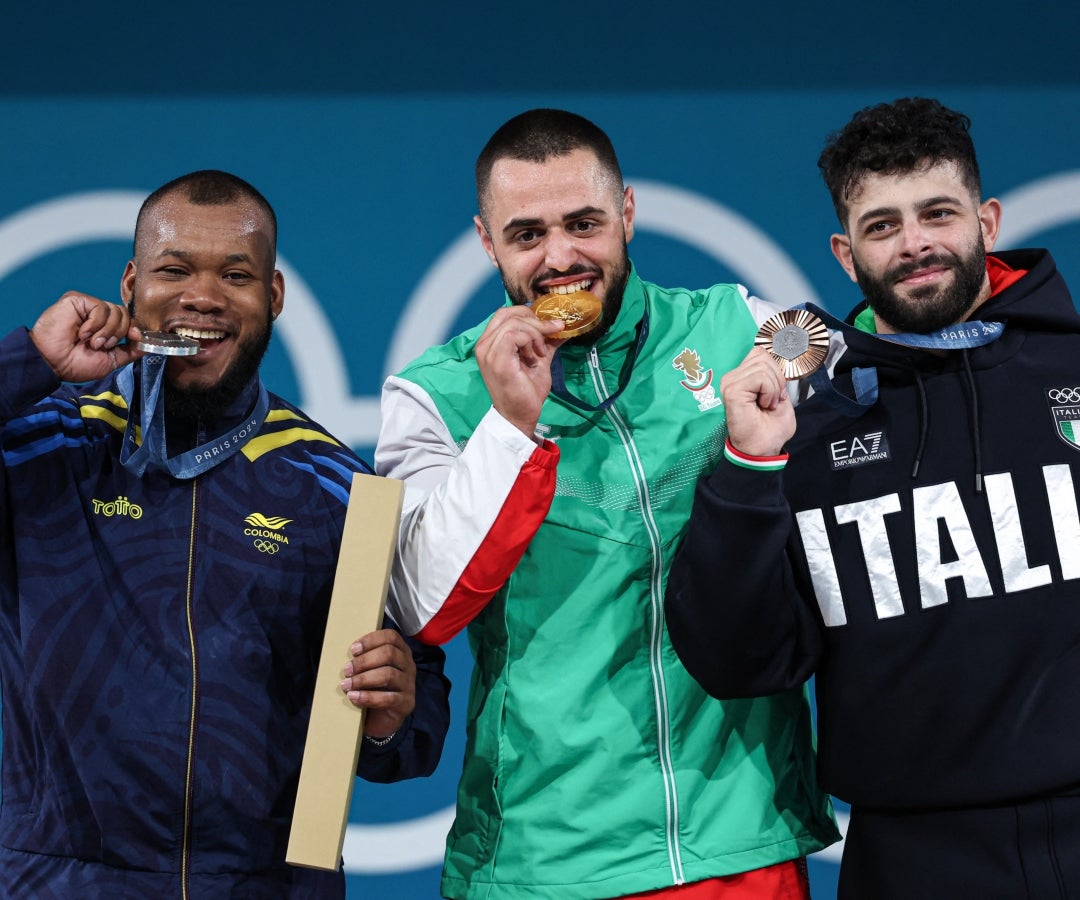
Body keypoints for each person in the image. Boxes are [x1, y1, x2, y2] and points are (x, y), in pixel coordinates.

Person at [375, 108, 838, 899]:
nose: (561, 258)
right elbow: (426, 605)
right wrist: (510, 425)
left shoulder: (727, 322)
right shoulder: (434, 396)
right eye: (527, 235)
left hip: (737, 842)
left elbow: (828, 337)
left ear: (626, 214)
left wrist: (786, 367)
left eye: (584, 223)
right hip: (543, 859)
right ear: (487, 243)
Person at [665, 96, 1080, 898]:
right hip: (916, 858)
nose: (915, 243)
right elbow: (742, 660)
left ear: (987, 221)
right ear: (846, 255)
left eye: (938, 213)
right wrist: (750, 466)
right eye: (882, 225)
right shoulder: (808, 423)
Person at [0, 170, 450, 898]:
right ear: (130, 283)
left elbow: (415, 722)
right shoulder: (44, 447)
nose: (201, 297)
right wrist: (30, 362)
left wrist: (396, 712)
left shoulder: (335, 488)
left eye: (234, 275)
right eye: (174, 269)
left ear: (272, 297)